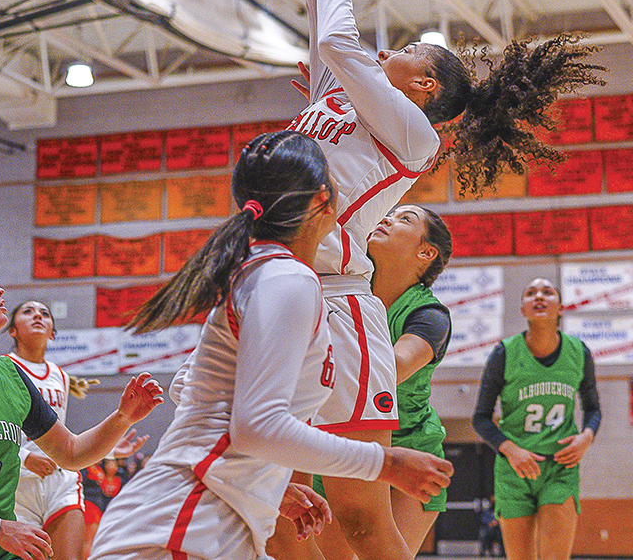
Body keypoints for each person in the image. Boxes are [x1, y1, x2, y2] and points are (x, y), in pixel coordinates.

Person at [268, 0, 605, 560]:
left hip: (333, 303)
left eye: (409, 52)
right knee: (273, 492)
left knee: (357, 517)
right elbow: (318, 10)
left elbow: (335, 36)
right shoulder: (344, 91)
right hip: (279, 286)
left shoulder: (413, 135)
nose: (387, 49)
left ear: (422, 86)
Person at [87, 130, 453, 560]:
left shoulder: (265, 272)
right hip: (185, 523)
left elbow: (189, 389)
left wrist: (266, 486)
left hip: (197, 514)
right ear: (327, 203)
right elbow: (255, 426)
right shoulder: (287, 279)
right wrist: (384, 464)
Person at [0, 267, 163, 560]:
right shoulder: (12, 363)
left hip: (48, 483)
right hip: (18, 490)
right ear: (12, 332)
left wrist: (122, 419)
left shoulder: (19, 376)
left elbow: (71, 450)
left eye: (45, 313)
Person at [311, 205, 453, 560]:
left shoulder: (429, 315)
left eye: (405, 219)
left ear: (426, 252)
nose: (387, 219)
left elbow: (391, 369)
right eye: (388, 213)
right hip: (342, 444)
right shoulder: (345, 287)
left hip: (411, 447)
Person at [6, 300, 149, 560]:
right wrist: (25, 458)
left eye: (45, 314)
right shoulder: (2, 369)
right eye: (28, 312)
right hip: (16, 482)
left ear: (52, 332)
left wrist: (105, 450)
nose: (37, 315)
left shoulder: (60, 375)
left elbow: (62, 434)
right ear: (13, 331)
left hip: (59, 477)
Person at [472, 278, 601, 560]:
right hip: (515, 469)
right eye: (531, 293)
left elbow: (593, 409)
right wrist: (510, 449)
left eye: (547, 292)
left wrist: (586, 436)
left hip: (560, 466)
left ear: (561, 308)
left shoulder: (579, 353)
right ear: (523, 310)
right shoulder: (503, 354)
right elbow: (480, 418)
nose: (539, 297)